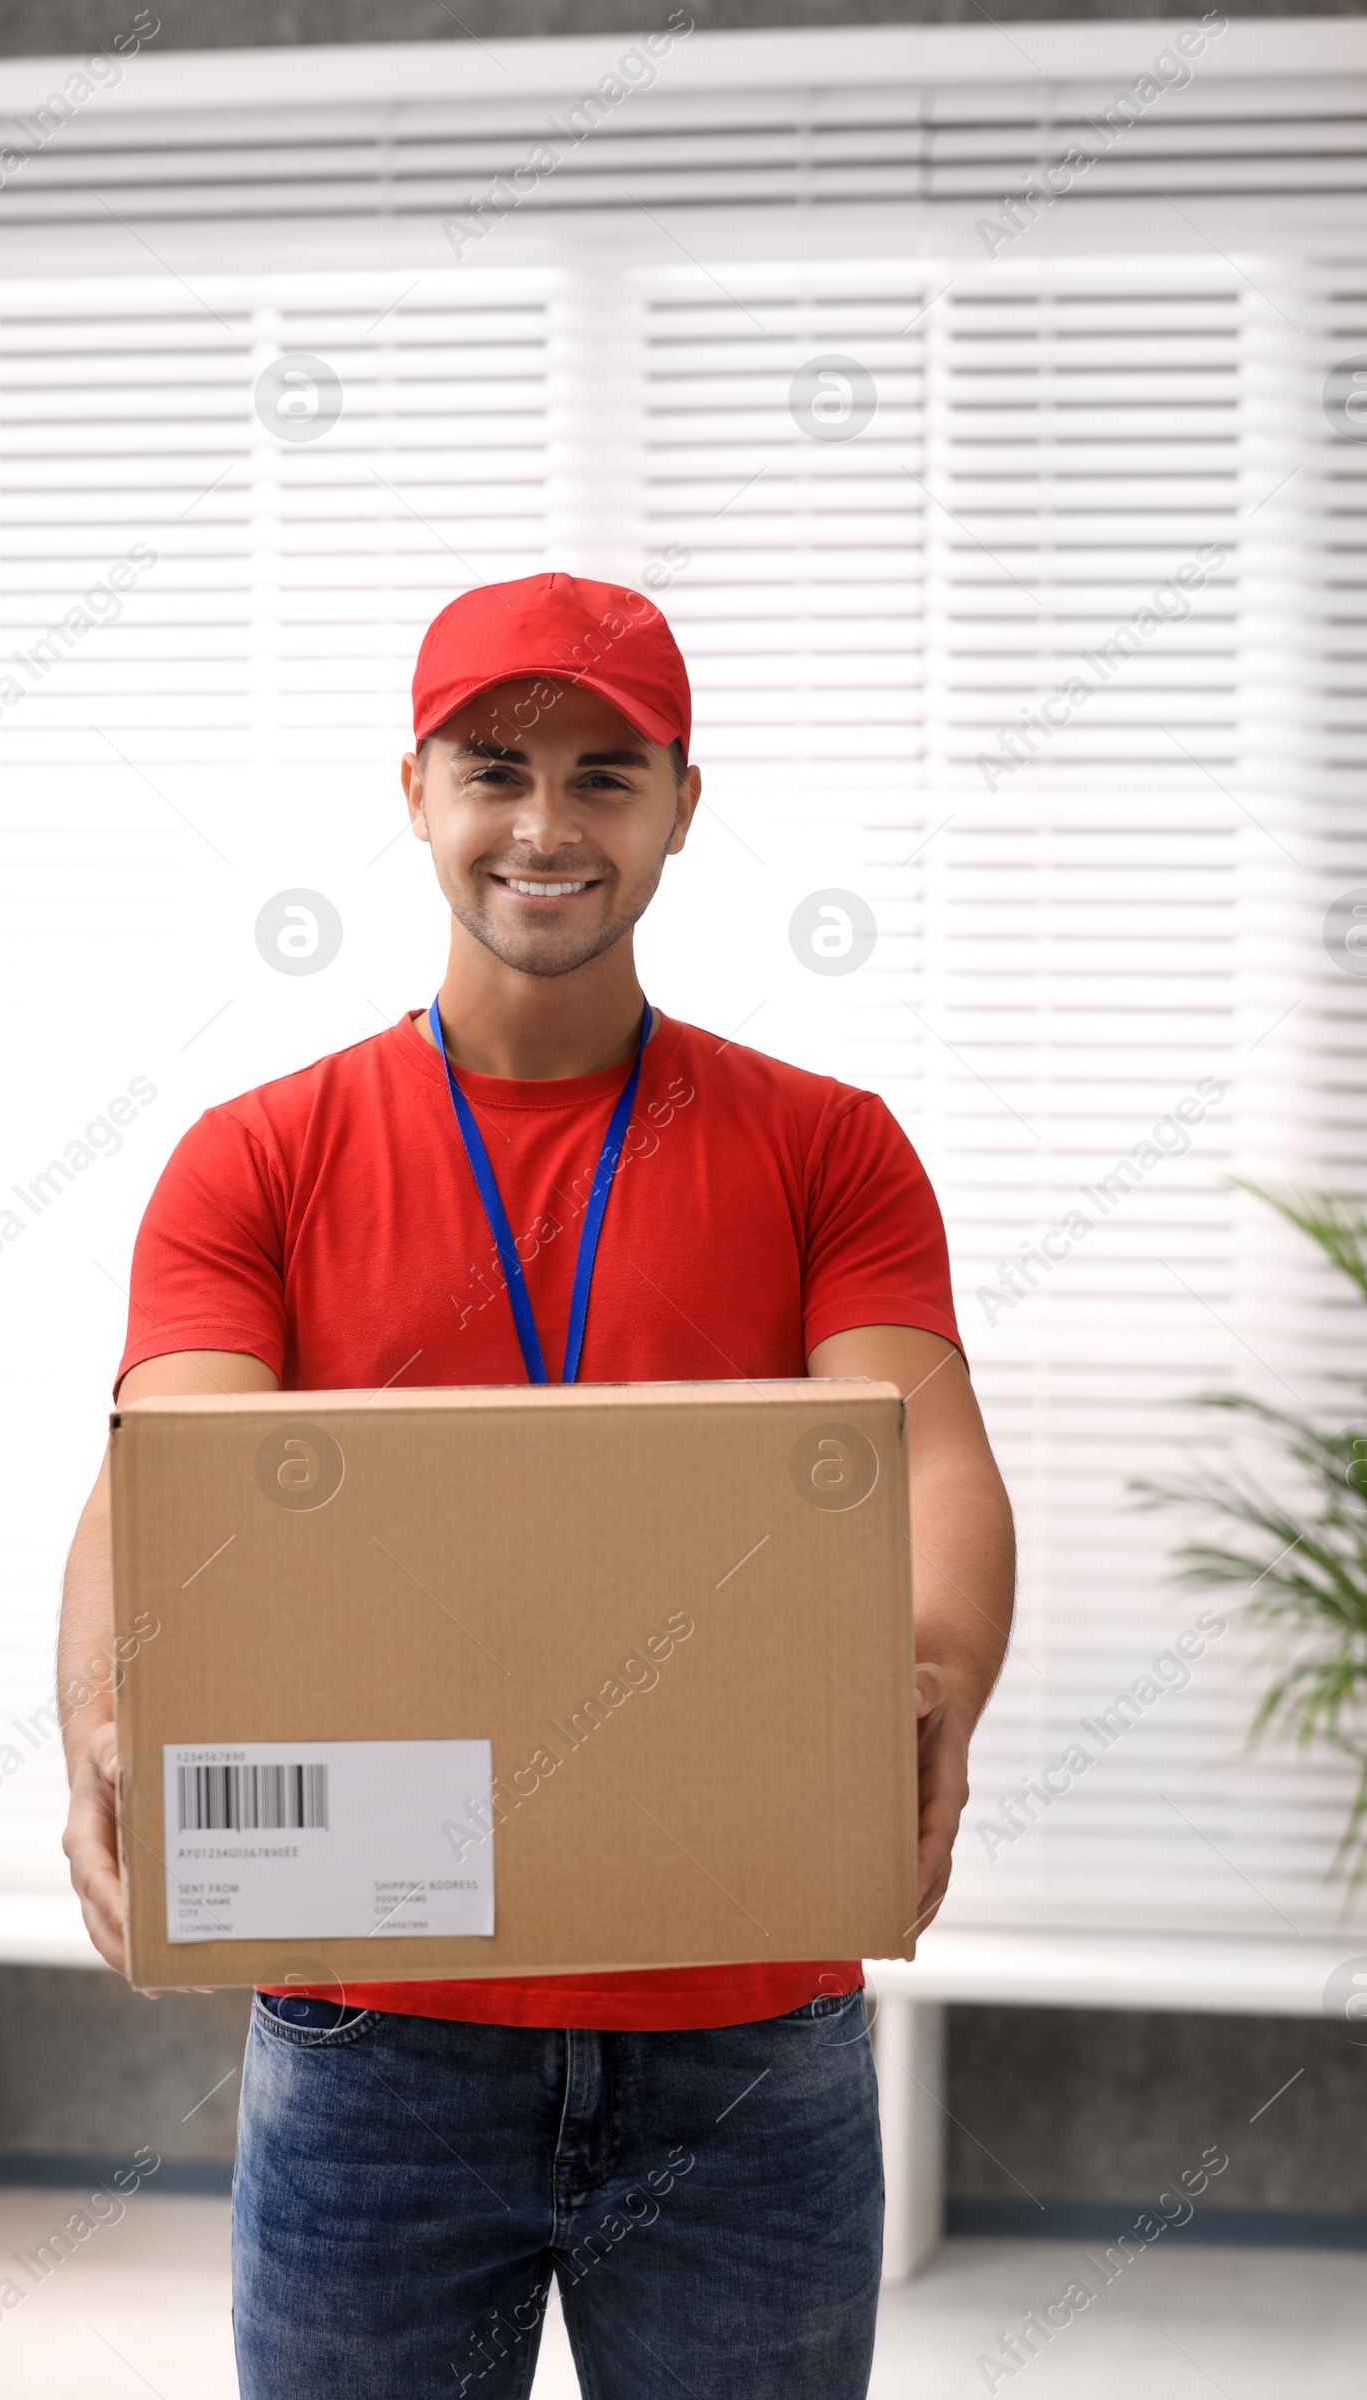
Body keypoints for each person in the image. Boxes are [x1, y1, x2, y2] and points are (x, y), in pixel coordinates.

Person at [59, 572, 1015, 2399]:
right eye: (496, 770)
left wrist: (931, 1679)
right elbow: (159, 1485)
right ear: (413, 792)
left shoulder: (828, 1148)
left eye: (606, 774)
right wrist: (107, 1714)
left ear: (681, 803)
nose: (547, 826)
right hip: (373, 2037)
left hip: (746, 2020)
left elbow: (934, 1460)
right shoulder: (255, 1157)